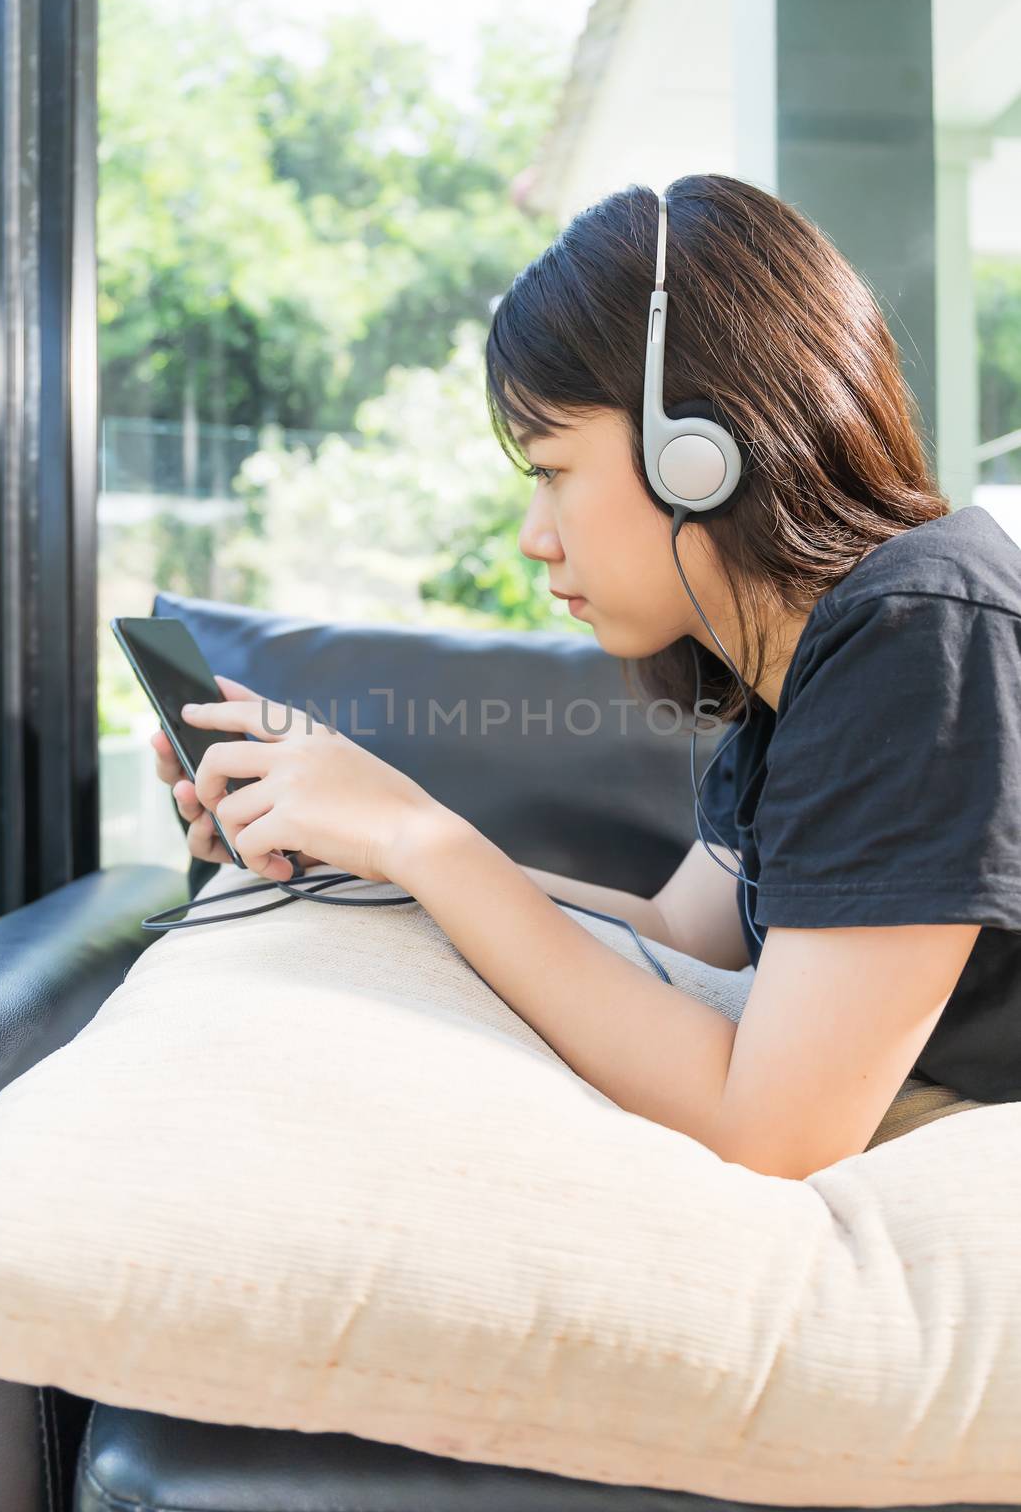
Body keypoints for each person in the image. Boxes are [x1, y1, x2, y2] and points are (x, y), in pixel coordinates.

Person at [153, 173, 1020, 1181]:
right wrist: (359, 849)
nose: (532, 537)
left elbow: (768, 1132)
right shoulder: (811, 674)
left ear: (696, 452)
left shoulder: (921, 633)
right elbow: (672, 932)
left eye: (551, 469)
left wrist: (412, 832)